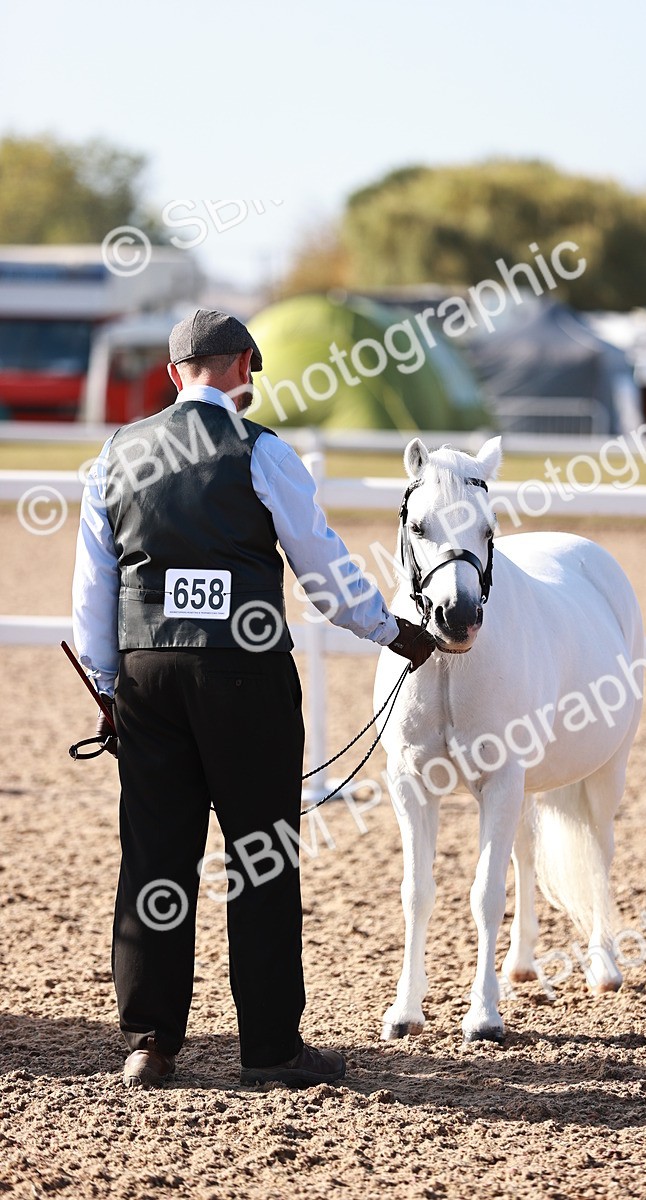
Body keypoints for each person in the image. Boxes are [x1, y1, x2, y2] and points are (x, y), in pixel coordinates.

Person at [72, 308, 436, 1090]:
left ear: (174, 375)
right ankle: (269, 1049)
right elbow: (324, 569)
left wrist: (109, 690)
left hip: (146, 676)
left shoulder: (115, 453)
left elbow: (94, 588)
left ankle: (150, 1043)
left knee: (153, 860)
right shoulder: (262, 450)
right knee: (261, 858)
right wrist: (391, 631)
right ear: (242, 367)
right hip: (243, 675)